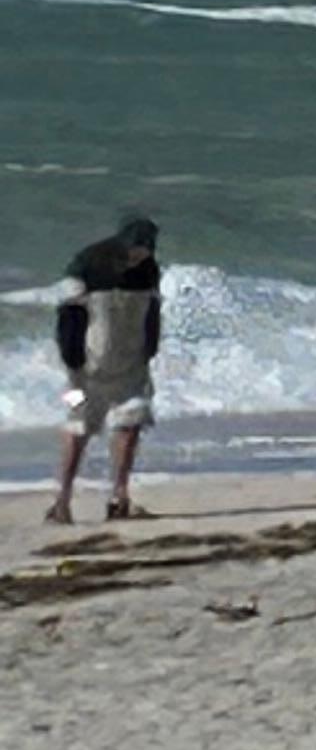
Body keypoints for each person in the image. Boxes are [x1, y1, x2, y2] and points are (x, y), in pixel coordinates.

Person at [46, 215, 162, 524]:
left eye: (146, 250)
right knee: (76, 426)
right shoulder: (87, 264)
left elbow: (152, 314)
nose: (141, 256)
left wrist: (149, 352)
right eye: (137, 249)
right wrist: (72, 364)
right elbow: (68, 318)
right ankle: (61, 501)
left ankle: (119, 497)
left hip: (132, 365)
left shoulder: (149, 270)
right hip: (81, 371)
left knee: (132, 423)